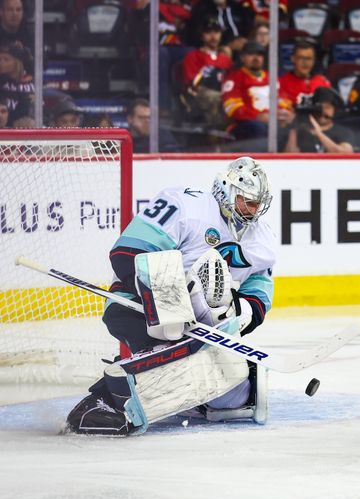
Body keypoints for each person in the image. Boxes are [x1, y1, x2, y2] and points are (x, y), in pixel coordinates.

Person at [65, 157, 277, 436]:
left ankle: (195, 393)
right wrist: (171, 305)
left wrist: (241, 313)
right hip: (138, 306)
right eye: (246, 202)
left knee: (231, 399)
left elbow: (259, 290)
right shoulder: (185, 205)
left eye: (257, 204)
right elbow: (126, 253)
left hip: (202, 323)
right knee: (171, 362)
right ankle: (104, 400)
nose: (252, 210)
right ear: (227, 190)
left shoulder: (263, 240)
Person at [182, 18, 232, 129]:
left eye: (216, 32)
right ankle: (218, 130)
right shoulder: (192, 56)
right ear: (202, 36)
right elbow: (192, 83)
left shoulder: (225, 59)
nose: (213, 36)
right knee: (216, 97)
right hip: (198, 94)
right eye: (208, 32)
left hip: (221, 92)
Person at [221, 40, 270, 141]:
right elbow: (232, 107)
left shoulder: (271, 77)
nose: (256, 58)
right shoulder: (234, 78)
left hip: (271, 121)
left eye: (259, 55)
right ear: (242, 57)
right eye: (251, 54)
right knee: (259, 127)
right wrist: (257, 116)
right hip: (244, 125)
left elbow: (282, 100)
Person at [284, 87, 354, 153]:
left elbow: (345, 154)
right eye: (319, 107)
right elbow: (289, 156)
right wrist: (294, 126)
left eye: (327, 107)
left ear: (335, 111)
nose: (322, 111)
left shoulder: (343, 132)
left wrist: (318, 133)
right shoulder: (301, 131)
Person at [278, 40, 332, 110]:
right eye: (301, 58)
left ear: (314, 61)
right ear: (293, 58)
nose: (305, 63)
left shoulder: (323, 82)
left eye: (309, 59)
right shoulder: (281, 83)